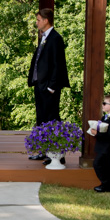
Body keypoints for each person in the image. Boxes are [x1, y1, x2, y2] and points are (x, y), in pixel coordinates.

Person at [27, 8, 71, 163]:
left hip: (49, 87)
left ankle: (56, 153)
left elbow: (58, 64)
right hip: (40, 84)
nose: (37, 22)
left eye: (38, 20)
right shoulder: (44, 37)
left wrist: (52, 86)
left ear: (46, 20)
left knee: (52, 120)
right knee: (41, 119)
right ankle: (43, 151)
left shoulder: (55, 38)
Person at [90, 94, 110, 193]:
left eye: (104, 103)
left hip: (106, 147)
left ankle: (105, 183)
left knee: (97, 163)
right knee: (106, 165)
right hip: (101, 146)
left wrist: (97, 134)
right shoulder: (104, 117)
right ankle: (108, 185)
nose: (102, 105)